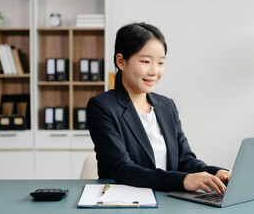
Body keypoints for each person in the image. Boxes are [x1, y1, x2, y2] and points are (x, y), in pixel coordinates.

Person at [87, 22, 231, 192]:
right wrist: (183, 180)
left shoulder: (166, 106)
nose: (154, 71)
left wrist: (216, 173)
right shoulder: (102, 106)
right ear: (121, 61)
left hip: (169, 201)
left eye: (161, 63)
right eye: (146, 61)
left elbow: (185, 160)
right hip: (125, 202)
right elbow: (122, 169)